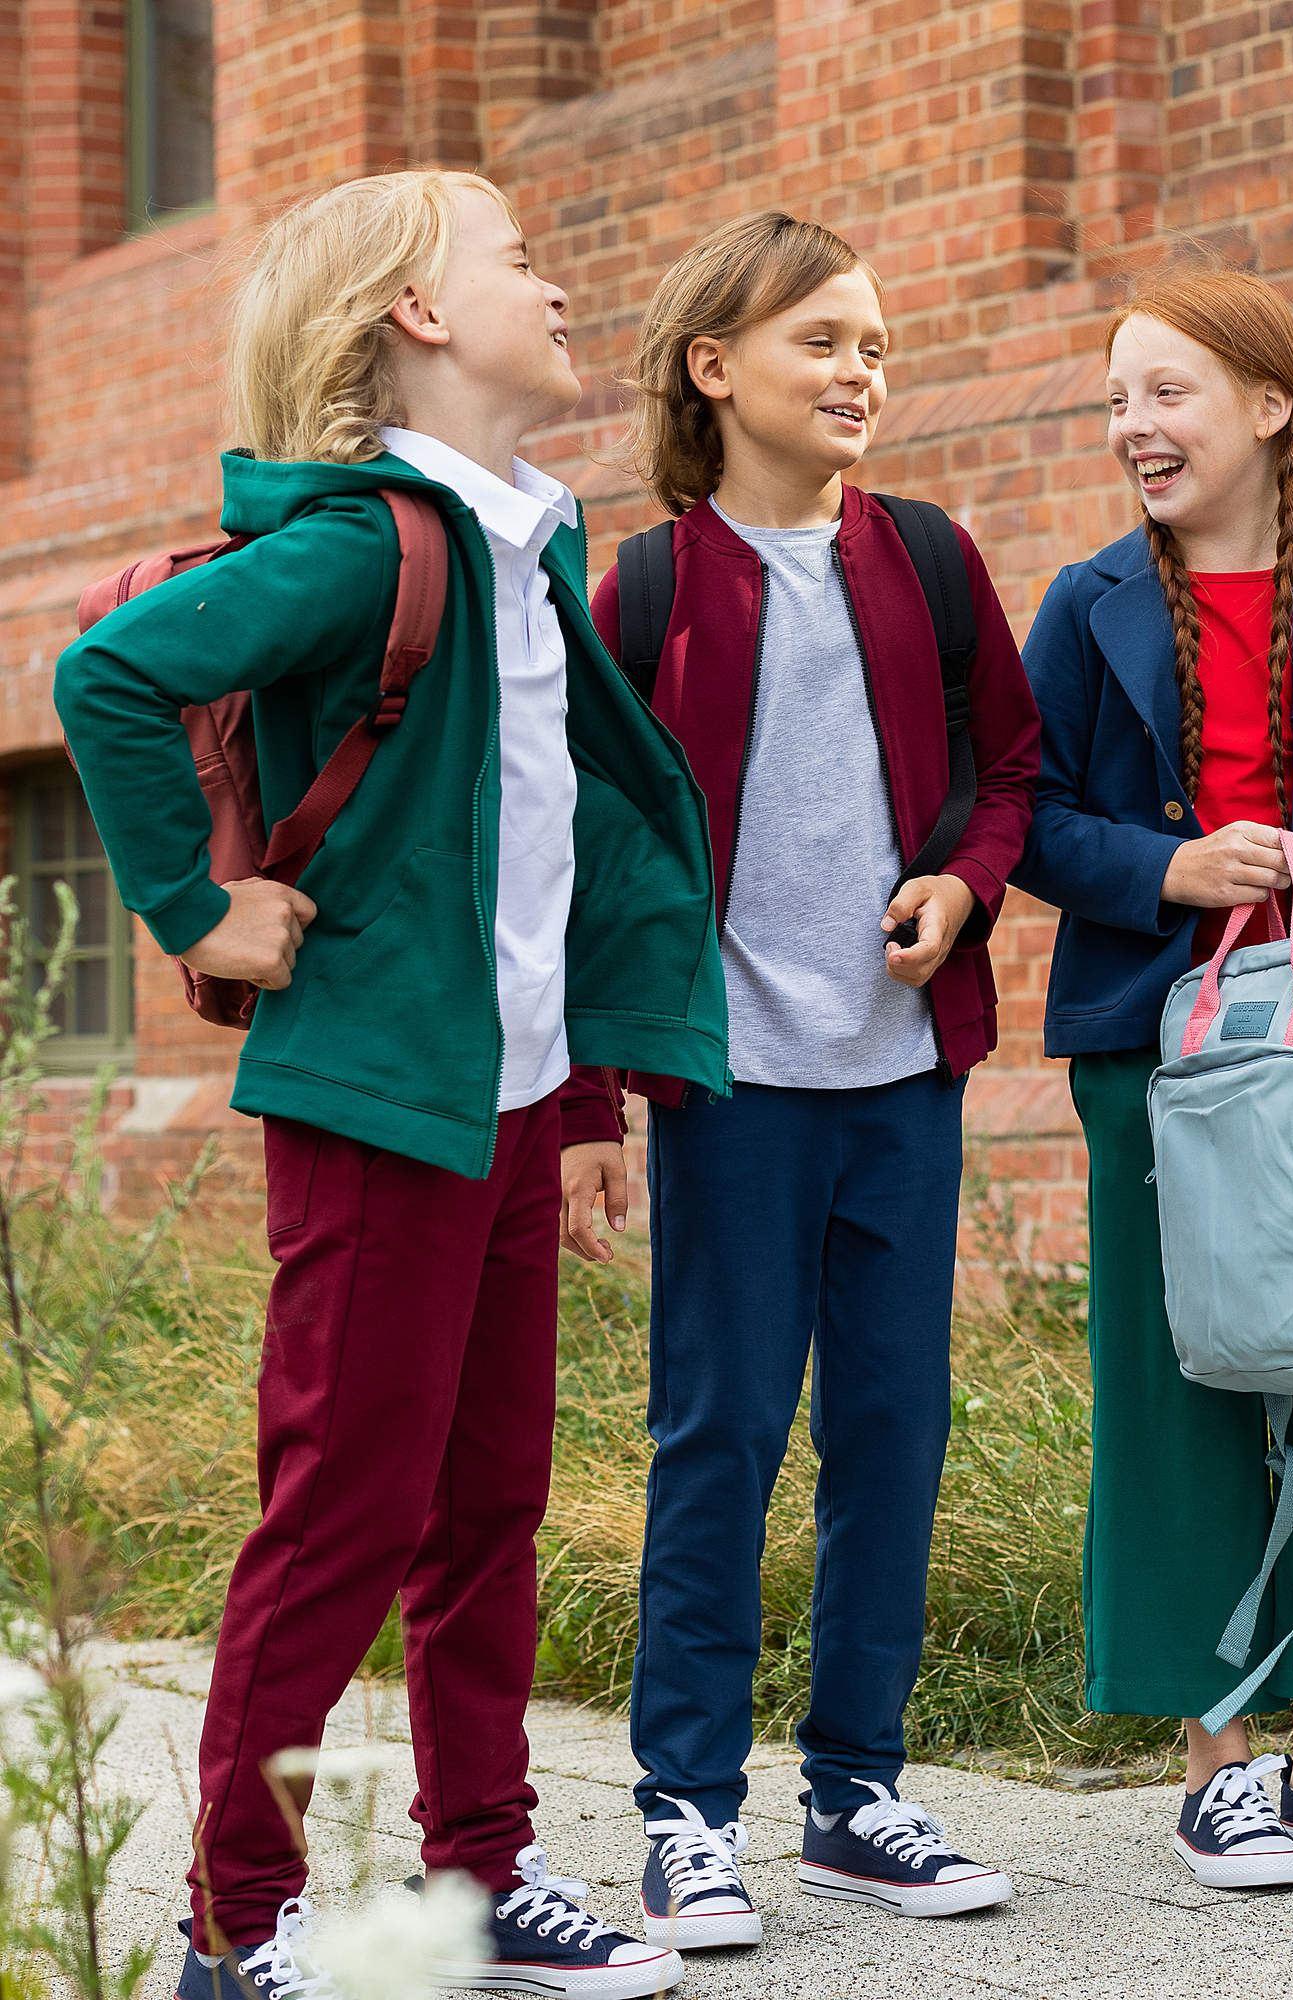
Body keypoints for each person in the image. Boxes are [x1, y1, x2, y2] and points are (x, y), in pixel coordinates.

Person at [55, 168, 721, 1999]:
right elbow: (108, 671)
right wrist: (200, 905)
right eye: (518, 253)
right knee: (341, 1509)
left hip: (504, 1106)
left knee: (492, 1498)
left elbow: (559, 853)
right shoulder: (372, 543)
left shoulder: (527, 537)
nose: (558, 275)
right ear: (418, 317)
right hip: (375, 1107)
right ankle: (234, 1920)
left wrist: (584, 1105)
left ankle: (478, 1879)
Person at [557, 211, 1041, 1950]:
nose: (861, 372)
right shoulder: (649, 588)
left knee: (894, 1438)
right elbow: (595, 851)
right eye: (823, 340)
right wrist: (593, 1102)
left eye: (877, 346)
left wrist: (966, 884)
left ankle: (859, 1792)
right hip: (731, 1090)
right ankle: (686, 1811)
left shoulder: (929, 555)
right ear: (715, 367)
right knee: (723, 1437)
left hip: (903, 1073)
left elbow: (1015, 769)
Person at [1014, 262, 1293, 1887]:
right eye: (1118, 399)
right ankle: (1216, 1760)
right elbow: (1032, 824)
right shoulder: (1084, 607)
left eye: (1168, 392)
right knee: (1190, 1385)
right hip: (1161, 1048)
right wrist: (1167, 871)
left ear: (1270, 409)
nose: (1136, 425)